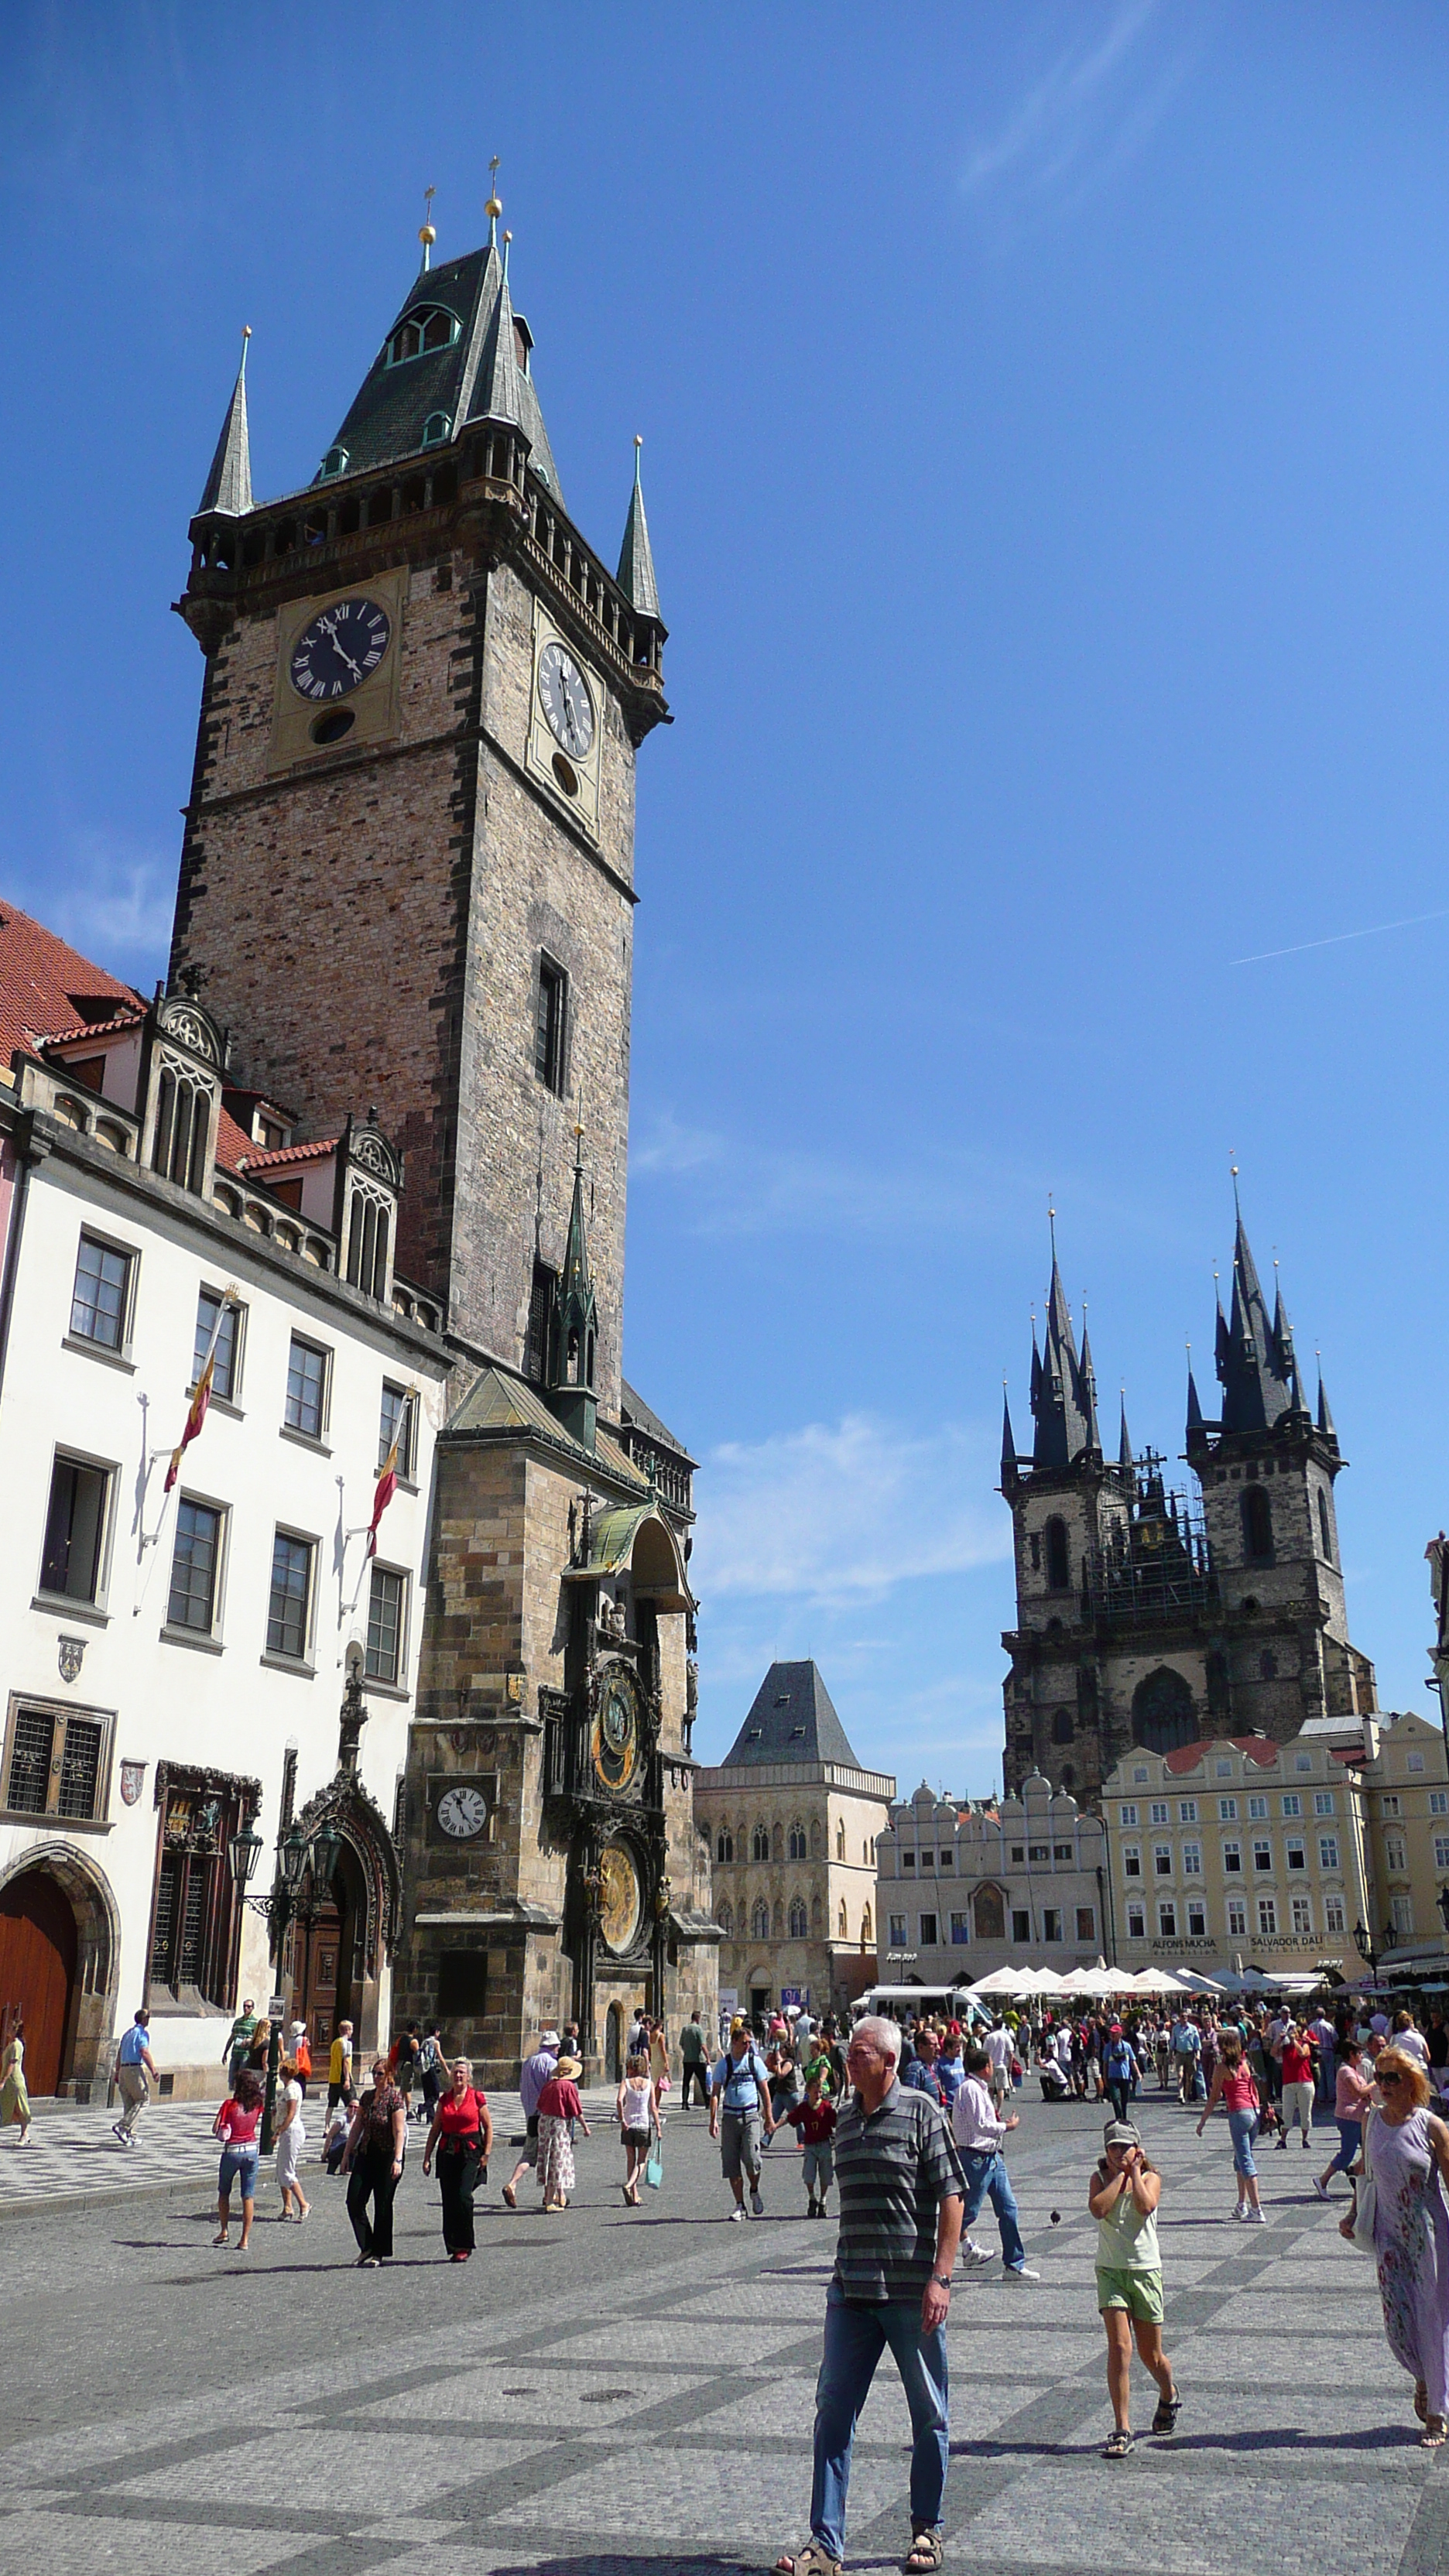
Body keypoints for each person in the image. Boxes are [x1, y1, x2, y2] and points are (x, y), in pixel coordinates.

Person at [773, 2015, 965, 2576]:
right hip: (850, 2291)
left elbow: (952, 2193)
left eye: (860, 2053)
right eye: (850, 2052)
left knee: (929, 2413)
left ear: (888, 2060)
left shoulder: (921, 2111)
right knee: (832, 2412)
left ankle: (926, 2530)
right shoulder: (846, 2117)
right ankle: (825, 2546)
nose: (849, 2059)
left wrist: (942, 2276)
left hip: (910, 2292)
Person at [1343, 2043, 1449, 2445]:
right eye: (1380, 2077)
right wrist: (1353, 2214)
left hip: (1429, 2235)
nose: (1383, 2085)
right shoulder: (1372, 2122)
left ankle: (1437, 2412)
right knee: (1397, 2320)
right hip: (1390, 2234)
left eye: (1392, 2078)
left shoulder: (1431, 2125)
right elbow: (1367, 2174)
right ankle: (1424, 2375)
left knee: (1434, 2320)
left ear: (1412, 2082)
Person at [1090, 2119, 1180, 2458]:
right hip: (1111, 2271)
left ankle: (1168, 2392)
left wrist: (1133, 2174)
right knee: (1120, 2347)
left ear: (1137, 2148)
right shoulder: (1099, 2179)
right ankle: (1122, 2427)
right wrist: (1117, 2178)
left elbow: (1146, 2206)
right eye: (1112, 2146)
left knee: (1151, 2355)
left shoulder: (1150, 2178)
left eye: (1125, 2146)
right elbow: (1099, 2209)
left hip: (1145, 2272)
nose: (1118, 2152)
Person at [952, 2043, 1040, 2282]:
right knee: (967, 2213)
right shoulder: (970, 2088)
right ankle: (934, 2256)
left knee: (1008, 2208)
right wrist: (1007, 2127)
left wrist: (1001, 2124)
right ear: (985, 2068)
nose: (993, 2067)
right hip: (975, 2158)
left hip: (992, 2158)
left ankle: (1014, 2265)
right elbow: (980, 2125)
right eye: (991, 2064)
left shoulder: (979, 2088)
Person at [423, 2057, 493, 2259]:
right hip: (447, 2151)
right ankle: (453, 2245)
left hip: (470, 2151)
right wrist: (427, 2157)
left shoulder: (477, 2097)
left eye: (462, 2072)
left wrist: (486, 2153)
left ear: (469, 2076)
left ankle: (464, 2244)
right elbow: (435, 2129)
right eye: (455, 2072)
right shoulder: (444, 2099)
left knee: (463, 2196)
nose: (458, 2075)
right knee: (449, 2199)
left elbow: (488, 2127)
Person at [341, 2056, 406, 2266]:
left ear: (389, 2075)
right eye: (374, 2073)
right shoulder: (367, 2097)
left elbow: (399, 2131)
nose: (376, 2077)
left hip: (388, 2156)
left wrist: (398, 2159)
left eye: (380, 2073)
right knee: (354, 2200)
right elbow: (357, 2126)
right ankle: (367, 2245)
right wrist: (346, 2154)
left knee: (383, 2203)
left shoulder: (395, 2099)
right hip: (366, 2153)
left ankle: (379, 2252)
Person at [709, 2020, 776, 2219]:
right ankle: (740, 2205)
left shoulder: (754, 2062)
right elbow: (715, 2093)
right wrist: (713, 2120)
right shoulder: (724, 2064)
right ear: (735, 2042)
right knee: (731, 2164)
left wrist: (769, 2117)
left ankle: (754, 2190)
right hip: (730, 2117)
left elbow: (765, 2090)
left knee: (753, 2160)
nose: (748, 2046)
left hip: (750, 2117)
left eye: (750, 2042)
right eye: (745, 2042)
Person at [1196, 2028, 1264, 2221]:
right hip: (1254, 2111)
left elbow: (1214, 2097)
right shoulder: (1245, 2063)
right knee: (1240, 2159)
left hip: (1238, 2114)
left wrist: (1203, 2122)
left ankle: (1256, 2209)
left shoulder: (1221, 2068)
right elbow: (1254, 2088)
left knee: (1246, 2161)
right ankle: (1241, 2204)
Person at [502, 2029, 559, 2208]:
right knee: (547, 2154)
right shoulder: (551, 2064)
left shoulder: (529, 2062)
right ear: (554, 2047)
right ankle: (541, 2193)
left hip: (530, 2114)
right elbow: (553, 2090)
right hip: (546, 2115)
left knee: (532, 2152)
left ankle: (523, 2187)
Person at [1314, 2033, 1372, 2200]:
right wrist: (1375, 2083)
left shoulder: (1354, 2070)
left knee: (1369, 2150)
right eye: (1359, 2053)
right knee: (1347, 2153)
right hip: (1349, 2118)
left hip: (1359, 2117)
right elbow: (1359, 2092)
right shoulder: (1346, 2071)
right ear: (1351, 2055)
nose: (1362, 2056)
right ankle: (1322, 2180)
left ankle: (1358, 2175)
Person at [213, 2067, 263, 2251]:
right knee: (248, 2195)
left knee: (224, 2191)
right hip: (251, 2151)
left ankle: (224, 2230)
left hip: (232, 2151)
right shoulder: (258, 2104)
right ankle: (244, 2239)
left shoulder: (229, 2105)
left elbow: (215, 2128)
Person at [536, 2052, 590, 2211]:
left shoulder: (549, 2085)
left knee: (547, 2159)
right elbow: (576, 2110)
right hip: (559, 2125)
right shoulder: (568, 2086)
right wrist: (585, 2127)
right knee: (557, 2160)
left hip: (545, 2123)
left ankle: (550, 2195)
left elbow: (539, 2105)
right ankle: (550, 2203)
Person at [786, 2064, 839, 2217]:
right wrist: (774, 2125)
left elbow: (836, 2123)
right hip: (810, 2145)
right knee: (809, 2175)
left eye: (820, 2092)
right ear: (808, 2091)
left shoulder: (826, 2107)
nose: (818, 2094)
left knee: (826, 2174)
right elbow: (791, 2118)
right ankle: (812, 2199)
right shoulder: (804, 2107)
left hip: (825, 2144)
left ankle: (822, 2201)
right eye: (816, 2092)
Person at [616, 2050, 659, 2205]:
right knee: (642, 2161)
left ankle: (634, 2194)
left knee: (630, 2160)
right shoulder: (649, 2084)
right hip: (643, 2125)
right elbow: (653, 2107)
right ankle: (629, 2187)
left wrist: (622, 2119)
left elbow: (619, 2101)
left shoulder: (626, 2083)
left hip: (628, 2125)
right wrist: (659, 2128)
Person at [112, 2008, 159, 2146]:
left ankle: (130, 2135)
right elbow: (144, 2052)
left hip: (123, 2071)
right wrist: (154, 2071)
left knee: (130, 2104)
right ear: (143, 2019)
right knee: (143, 2100)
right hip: (134, 2069)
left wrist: (117, 2072)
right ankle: (123, 2126)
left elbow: (119, 2054)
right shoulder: (142, 2034)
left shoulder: (128, 2034)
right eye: (148, 2017)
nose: (149, 2020)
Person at [274, 2061, 310, 2221]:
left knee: (287, 2172)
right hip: (287, 2132)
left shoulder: (292, 2090)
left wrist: (278, 2132)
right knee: (281, 2171)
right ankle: (287, 2206)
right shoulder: (289, 2089)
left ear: (283, 2073)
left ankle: (303, 2204)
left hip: (291, 2132)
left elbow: (291, 2114)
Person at [1276, 2021, 1317, 2153]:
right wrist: (1279, 2040)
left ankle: (1305, 2139)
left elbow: (1302, 2054)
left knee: (1305, 2113)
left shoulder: (1305, 2044)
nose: (1292, 2034)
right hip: (1288, 2083)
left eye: (1294, 2032)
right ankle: (1282, 2140)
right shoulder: (1285, 2047)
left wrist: (1295, 2042)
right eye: (1291, 2032)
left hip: (1305, 2082)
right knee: (1287, 2112)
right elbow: (1272, 2053)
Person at [1102, 2023, 1141, 2126]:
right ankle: (1119, 2118)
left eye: (1114, 2033)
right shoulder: (1108, 2047)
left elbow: (1133, 2061)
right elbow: (1105, 2063)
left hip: (1125, 2077)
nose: (1112, 2035)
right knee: (1115, 2098)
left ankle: (1124, 2119)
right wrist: (1105, 2078)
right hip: (1112, 2077)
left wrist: (1138, 2073)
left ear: (1120, 2034)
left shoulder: (1127, 2046)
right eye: (1111, 2033)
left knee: (1124, 2100)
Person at [1, 2017, 32, 2145]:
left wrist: (3, 2080)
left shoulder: (16, 2045)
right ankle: (24, 2134)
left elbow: (11, 2064)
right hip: (9, 2080)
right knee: (9, 2105)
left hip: (14, 2080)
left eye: (11, 2028)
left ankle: (24, 2134)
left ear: (16, 2030)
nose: (7, 2030)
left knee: (20, 2106)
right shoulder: (11, 2044)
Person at [223, 1999, 258, 2092]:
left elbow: (257, 2039)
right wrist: (225, 2052)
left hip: (245, 2054)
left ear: (253, 2008)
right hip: (235, 2053)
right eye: (244, 2006)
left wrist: (249, 2041)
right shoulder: (238, 2022)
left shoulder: (255, 2023)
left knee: (242, 2078)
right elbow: (232, 2037)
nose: (246, 2008)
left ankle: (241, 2097)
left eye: (249, 2006)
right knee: (232, 2079)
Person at [679, 2010, 711, 2108]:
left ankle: (684, 2102)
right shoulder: (698, 2029)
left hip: (687, 2059)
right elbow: (703, 2045)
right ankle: (707, 2102)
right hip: (698, 2059)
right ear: (698, 2018)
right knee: (703, 2081)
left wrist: (687, 2051)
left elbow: (681, 2044)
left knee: (686, 2082)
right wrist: (708, 2058)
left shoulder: (685, 2029)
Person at [323, 2086, 355, 2176]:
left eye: (355, 2107)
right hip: (336, 2151)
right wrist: (325, 2153)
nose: (353, 2109)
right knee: (350, 2143)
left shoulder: (358, 2121)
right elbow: (330, 2136)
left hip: (348, 2153)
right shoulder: (341, 2121)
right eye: (350, 2107)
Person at [983, 2017, 1012, 2112]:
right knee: (1001, 2089)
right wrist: (1010, 2067)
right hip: (1002, 2065)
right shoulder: (1006, 2036)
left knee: (990, 2089)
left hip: (990, 2065)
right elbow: (1010, 2053)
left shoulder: (989, 2037)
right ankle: (999, 2110)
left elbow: (984, 2052)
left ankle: (991, 2109)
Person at [327, 2019, 354, 2111]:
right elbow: (346, 2061)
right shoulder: (347, 2044)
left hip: (333, 2077)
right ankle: (352, 2121)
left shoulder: (335, 2043)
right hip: (342, 2076)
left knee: (331, 2104)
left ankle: (327, 2124)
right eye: (351, 2030)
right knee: (352, 2101)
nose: (352, 2032)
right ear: (347, 2030)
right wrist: (347, 2079)